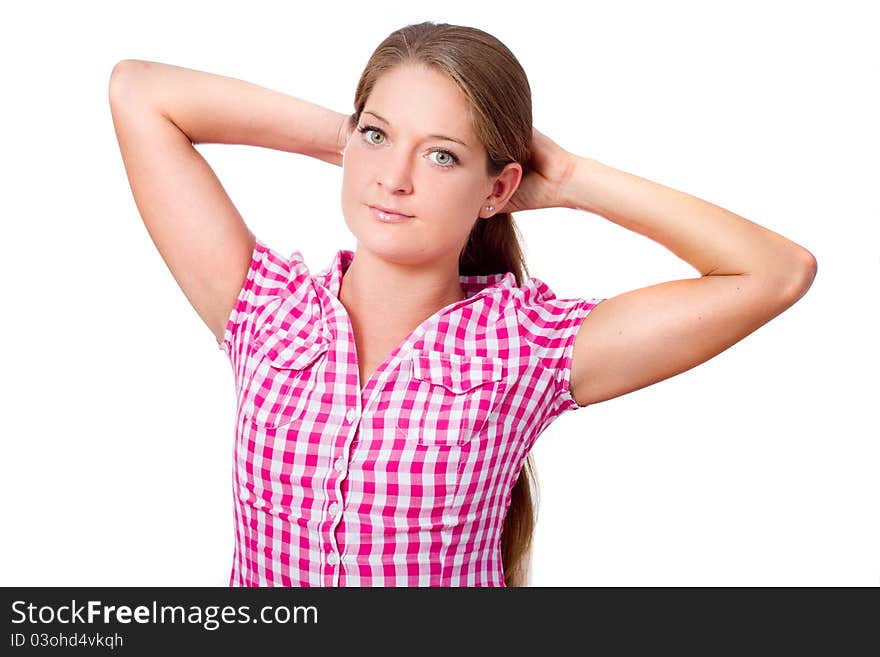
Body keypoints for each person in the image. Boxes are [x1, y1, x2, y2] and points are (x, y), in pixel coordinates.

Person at [108, 21, 816, 587]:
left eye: (441, 156)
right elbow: (138, 91)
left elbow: (774, 272)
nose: (395, 178)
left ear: (498, 190)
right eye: (379, 136)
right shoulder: (264, 307)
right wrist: (353, 138)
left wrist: (568, 177)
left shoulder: (525, 345)